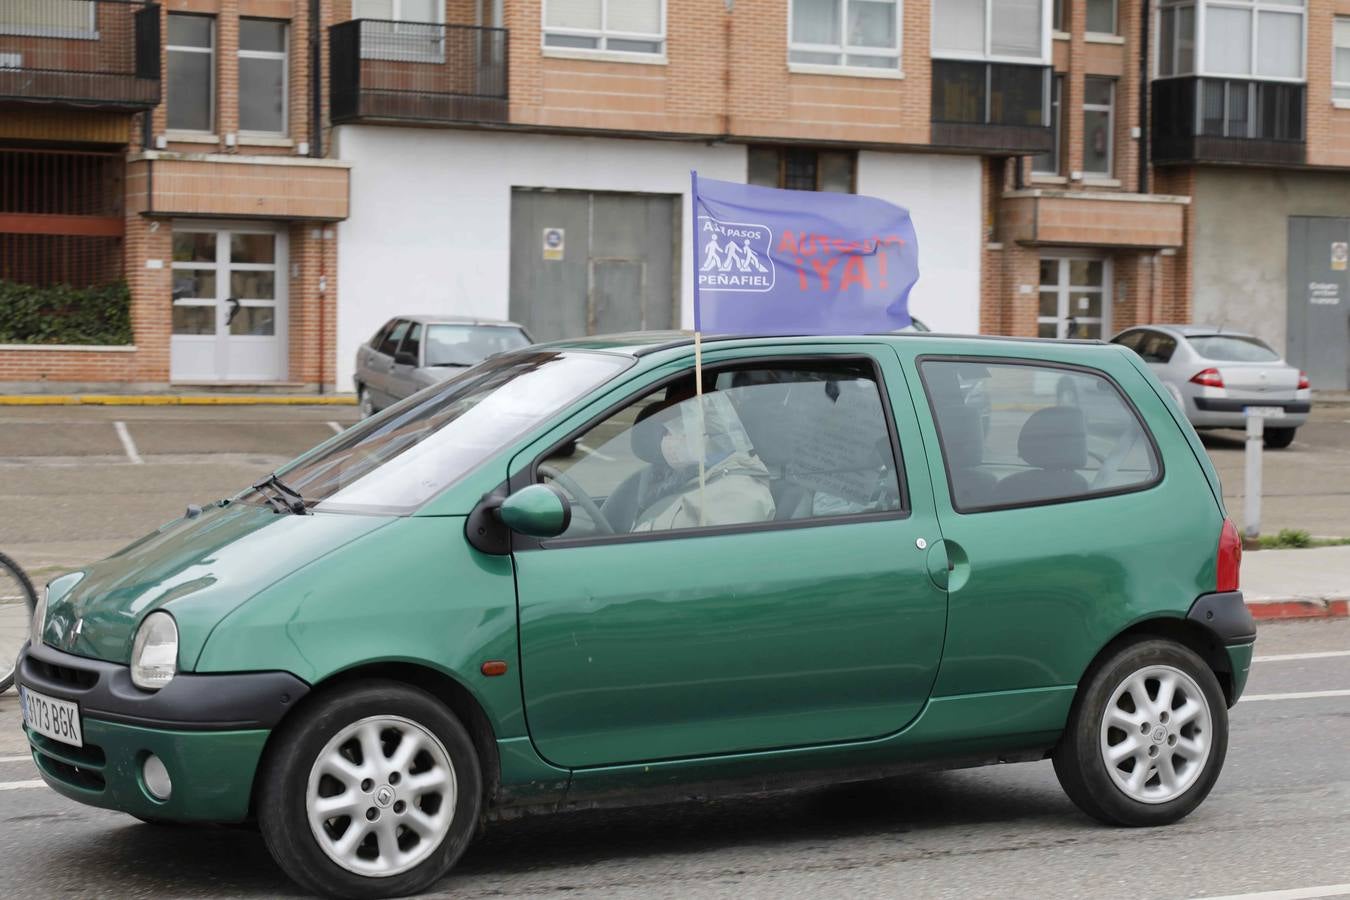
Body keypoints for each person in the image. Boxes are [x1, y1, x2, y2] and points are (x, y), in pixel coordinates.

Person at [631, 391, 775, 531]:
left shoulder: (738, 494)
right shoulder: (685, 477)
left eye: (669, 430)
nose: (664, 441)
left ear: (704, 430)